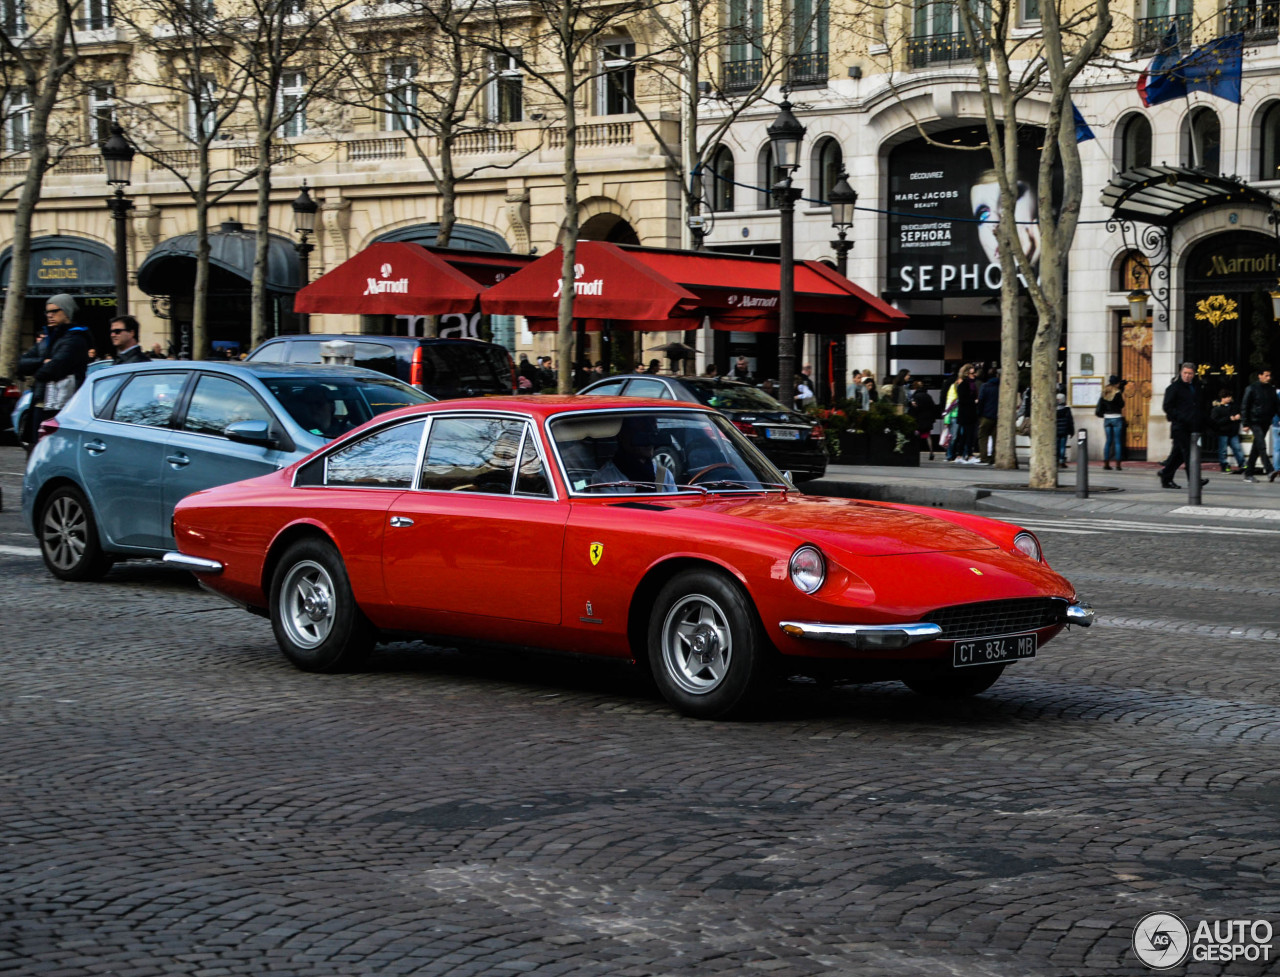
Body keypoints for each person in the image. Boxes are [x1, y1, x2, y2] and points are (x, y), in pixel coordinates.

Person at [32, 294, 92, 428]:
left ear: (67, 312)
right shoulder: (47, 337)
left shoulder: (76, 338)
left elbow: (53, 368)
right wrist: (43, 362)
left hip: (63, 404)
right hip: (42, 401)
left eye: (54, 311)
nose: (49, 315)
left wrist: (40, 370)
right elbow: (22, 363)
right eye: (47, 312)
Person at [590, 416, 676, 492]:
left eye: (653, 434)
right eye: (643, 435)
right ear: (624, 436)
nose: (649, 441)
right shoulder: (604, 479)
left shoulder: (664, 475)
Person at [1158, 362, 1209, 490]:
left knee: (1178, 455)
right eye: (1185, 373)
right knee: (1188, 454)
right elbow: (1167, 407)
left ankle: (1166, 475)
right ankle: (1194, 480)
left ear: (1194, 374)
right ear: (1181, 373)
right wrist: (1180, 417)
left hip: (1194, 426)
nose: (1187, 376)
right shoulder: (1174, 388)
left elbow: (1200, 404)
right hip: (1180, 426)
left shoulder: (1197, 387)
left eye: (1190, 373)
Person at [1240, 366, 1279, 483]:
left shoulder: (1271, 389)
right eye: (1266, 375)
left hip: (1266, 421)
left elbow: (1276, 406)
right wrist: (1245, 423)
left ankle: (1248, 473)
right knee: (1261, 445)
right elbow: (1245, 406)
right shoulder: (1251, 388)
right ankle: (1269, 469)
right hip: (1254, 420)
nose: (1268, 378)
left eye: (1269, 375)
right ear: (1260, 376)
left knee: (1256, 448)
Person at [1210, 387, 1244, 474]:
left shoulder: (1234, 407)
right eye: (1226, 397)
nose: (1229, 399)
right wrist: (1229, 418)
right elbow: (1215, 421)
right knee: (1223, 450)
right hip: (1223, 432)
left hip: (1232, 431)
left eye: (1229, 397)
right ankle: (1224, 465)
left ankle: (1242, 464)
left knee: (1237, 448)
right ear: (1222, 398)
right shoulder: (1217, 409)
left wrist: (1238, 418)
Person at [1095, 375, 1126, 470]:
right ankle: (1118, 464)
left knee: (1108, 441)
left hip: (1107, 418)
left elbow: (1101, 405)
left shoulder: (1105, 391)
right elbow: (1122, 404)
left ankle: (1106, 463)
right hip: (1117, 417)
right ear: (1116, 383)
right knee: (1117, 442)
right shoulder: (1117, 392)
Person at [909, 380, 938, 460]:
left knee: (916, 435)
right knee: (928, 436)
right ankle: (931, 452)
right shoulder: (928, 396)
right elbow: (933, 407)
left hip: (918, 419)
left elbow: (915, 409)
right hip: (927, 419)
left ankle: (915, 452)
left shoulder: (915, 396)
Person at [976, 368, 1000, 464]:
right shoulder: (1001, 387)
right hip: (997, 415)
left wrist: (979, 413)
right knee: (995, 437)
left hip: (986, 415)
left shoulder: (985, 386)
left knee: (983, 436)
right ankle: (994, 457)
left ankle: (984, 457)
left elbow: (981, 400)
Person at [1055, 392, 1074, 467]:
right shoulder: (1067, 410)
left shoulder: (1053, 410)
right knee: (1063, 446)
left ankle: (1056, 459)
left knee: (1057, 445)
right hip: (1064, 431)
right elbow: (1070, 421)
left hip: (1056, 431)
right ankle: (1061, 460)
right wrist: (1071, 431)